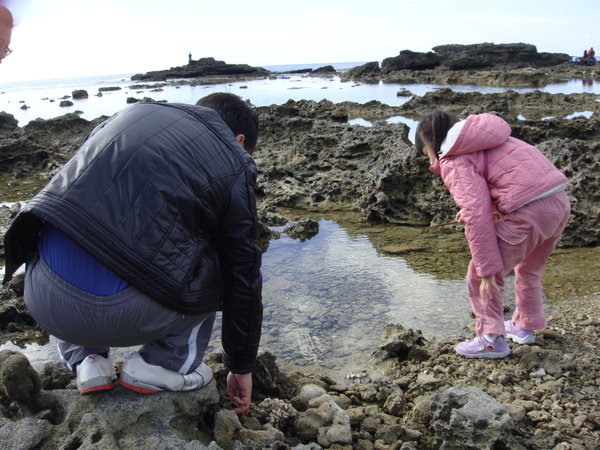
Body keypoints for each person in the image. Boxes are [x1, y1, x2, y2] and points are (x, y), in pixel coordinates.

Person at [3, 93, 262, 415]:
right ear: (239, 140)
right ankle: (163, 363)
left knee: (78, 215)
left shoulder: (128, 116)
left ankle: (89, 361)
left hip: (44, 300)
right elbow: (243, 274)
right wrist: (241, 365)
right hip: (128, 313)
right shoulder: (232, 158)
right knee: (224, 255)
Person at [415, 111, 570, 359]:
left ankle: (490, 339)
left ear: (433, 140)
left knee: (479, 274)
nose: (430, 160)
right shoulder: (493, 138)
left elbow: (477, 215)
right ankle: (524, 326)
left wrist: (487, 269)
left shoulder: (454, 158)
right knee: (528, 268)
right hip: (559, 204)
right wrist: (484, 208)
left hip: (528, 213)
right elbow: (511, 180)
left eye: (426, 153)